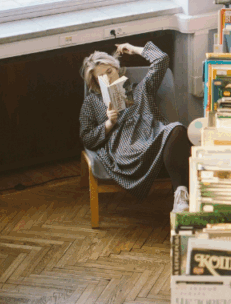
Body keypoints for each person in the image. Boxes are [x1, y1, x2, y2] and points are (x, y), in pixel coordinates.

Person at [79, 41, 191, 212]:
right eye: (101, 77)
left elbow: (161, 59)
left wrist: (133, 49)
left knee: (177, 129)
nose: (108, 78)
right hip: (125, 149)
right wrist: (109, 124)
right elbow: (86, 138)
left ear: (116, 68)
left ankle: (181, 197)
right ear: (95, 81)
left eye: (109, 71)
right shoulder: (92, 102)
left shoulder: (141, 88)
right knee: (177, 138)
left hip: (153, 137)